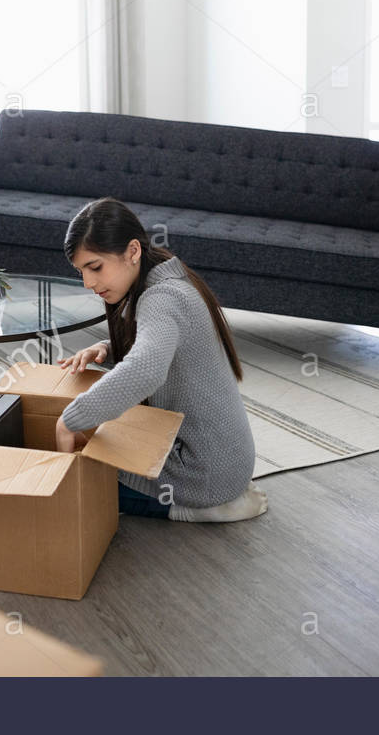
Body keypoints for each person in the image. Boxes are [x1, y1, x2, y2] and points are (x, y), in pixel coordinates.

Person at [53, 198, 267, 523]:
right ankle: (217, 497)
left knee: (75, 483)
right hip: (223, 459)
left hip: (202, 473)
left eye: (95, 267)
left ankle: (203, 508)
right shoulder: (167, 281)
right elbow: (166, 346)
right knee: (97, 449)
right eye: (81, 271)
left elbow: (146, 369)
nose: (88, 283)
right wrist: (108, 348)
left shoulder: (162, 298)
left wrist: (71, 418)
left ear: (133, 252)